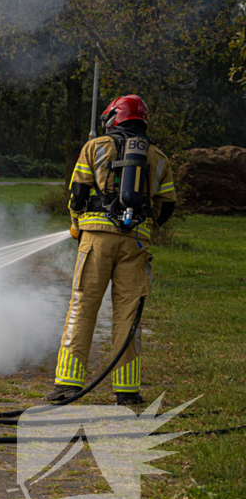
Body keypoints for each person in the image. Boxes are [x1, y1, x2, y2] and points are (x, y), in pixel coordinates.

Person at [47, 95, 176, 406]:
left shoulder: (95, 147)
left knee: (83, 307)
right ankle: (127, 390)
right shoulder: (158, 157)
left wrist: (77, 223)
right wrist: (145, 224)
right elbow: (167, 207)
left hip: (96, 241)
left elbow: (77, 194)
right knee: (128, 315)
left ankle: (68, 384)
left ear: (114, 117)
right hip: (136, 244)